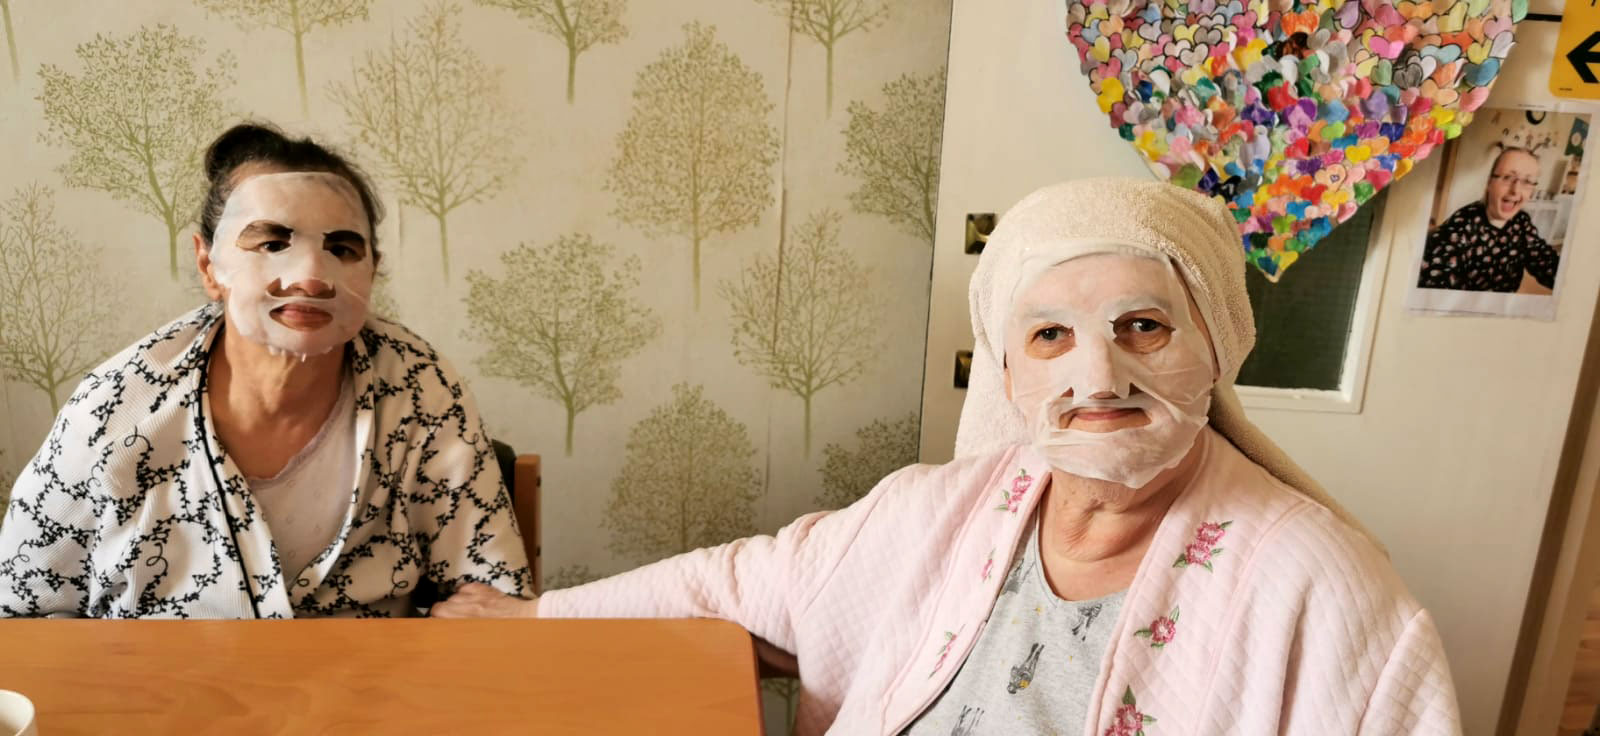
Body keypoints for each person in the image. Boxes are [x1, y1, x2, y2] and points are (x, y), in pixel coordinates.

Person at [435, 179, 1459, 734]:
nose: (1097, 377)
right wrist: (536, 617)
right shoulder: (945, 508)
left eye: (1143, 327)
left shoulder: (1323, 587)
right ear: (1008, 373)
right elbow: (743, 581)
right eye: (1049, 336)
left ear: (1218, 347)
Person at [0, 123, 531, 618]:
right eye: (272, 244)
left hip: (369, 684)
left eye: (341, 248)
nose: (310, 277)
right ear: (209, 265)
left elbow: (494, 600)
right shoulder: (117, 408)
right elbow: (19, 611)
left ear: (373, 267)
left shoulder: (421, 389)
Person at [1418, 146, 1561, 292]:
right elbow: (1435, 283)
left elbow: (1546, 262)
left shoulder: (1522, 222)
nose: (1516, 190)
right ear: (1489, 183)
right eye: (1507, 177)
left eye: (1527, 181)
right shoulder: (1462, 225)